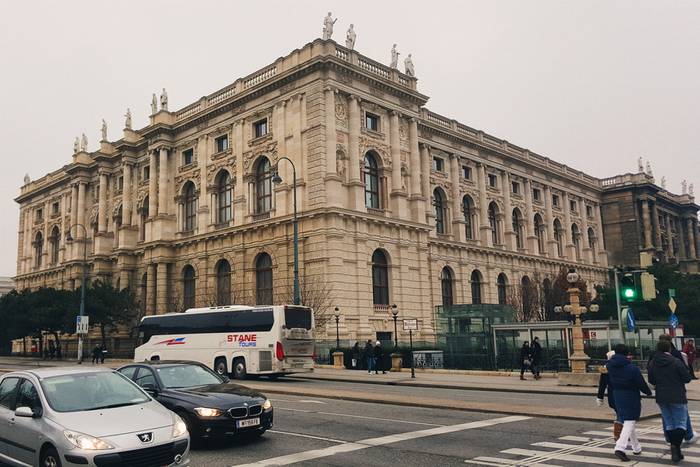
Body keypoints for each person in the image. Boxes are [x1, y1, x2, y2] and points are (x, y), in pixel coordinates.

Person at [606, 344, 652, 462]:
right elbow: (641, 383)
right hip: (630, 395)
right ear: (627, 354)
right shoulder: (632, 368)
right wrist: (648, 392)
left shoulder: (610, 366)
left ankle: (636, 447)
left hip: (617, 394)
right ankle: (620, 447)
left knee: (627, 421)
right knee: (630, 420)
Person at [649, 339, 692, 463]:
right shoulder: (675, 361)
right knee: (681, 423)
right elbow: (687, 378)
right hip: (677, 395)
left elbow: (651, 380)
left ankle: (676, 450)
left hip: (662, 396)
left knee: (669, 423)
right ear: (669, 349)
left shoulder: (653, 363)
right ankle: (675, 447)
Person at [597, 350, 623, 441]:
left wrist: (600, 397)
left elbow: (602, 384)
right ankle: (619, 435)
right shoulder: (622, 366)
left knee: (619, 413)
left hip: (612, 393)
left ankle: (620, 434)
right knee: (621, 415)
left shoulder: (606, 368)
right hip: (621, 393)